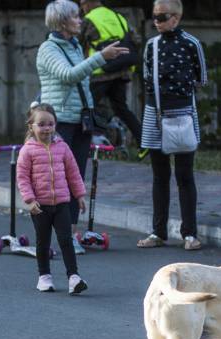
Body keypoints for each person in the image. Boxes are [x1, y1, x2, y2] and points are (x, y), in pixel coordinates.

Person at [37, 0, 128, 255]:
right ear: (63, 21)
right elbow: (69, 75)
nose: (81, 20)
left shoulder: (75, 45)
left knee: (75, 180)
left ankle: (72, 234)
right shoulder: (48, 49)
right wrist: (101, 57)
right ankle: (58, 235)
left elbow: (81, 78)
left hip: (80, 120)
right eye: (76, 17)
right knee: (59, 180)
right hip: (61, 121)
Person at [136, 0, 207, 251]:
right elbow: (146, 75)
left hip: (183, 112)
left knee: (185, 174)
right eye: (154, 16)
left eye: (162, 16)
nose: (156, 20)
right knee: (159, 175)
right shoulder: (151, 45)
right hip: (155, 113)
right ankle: (158, 231)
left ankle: (190, 233)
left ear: (176, 18)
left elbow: (201, 77)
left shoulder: (191, 43)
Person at [17, 103, 89, 295]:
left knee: (66, 239)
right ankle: (44, 277)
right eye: (41, 124)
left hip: (62, 204)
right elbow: (22, 178)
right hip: (40, 206)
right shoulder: (28, 150)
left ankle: (74, 277)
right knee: (43, 242)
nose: (46, 128)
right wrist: (30, 200)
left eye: (50, 124)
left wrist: (80, 195)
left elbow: (73, 173)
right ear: (31, 126)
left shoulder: (63, 148)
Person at [78, 0, 147, 160]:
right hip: (121, 71)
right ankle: (144, 143)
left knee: (86, 107)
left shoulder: (89, 19)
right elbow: (136, 39)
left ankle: (84, 145)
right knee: (121, 108)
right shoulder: (117, 16)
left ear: (88, 3)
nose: (81, 7)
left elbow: (78, 43)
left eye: (82, 3)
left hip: (101, 72)